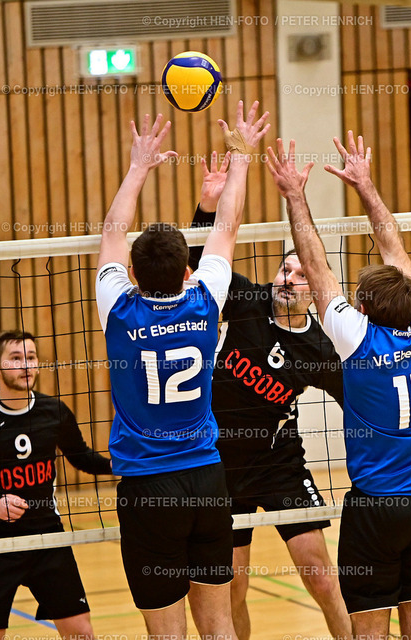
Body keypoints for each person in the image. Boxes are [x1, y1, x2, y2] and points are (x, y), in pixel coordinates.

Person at [95, 101, 269, 640]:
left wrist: (139, 166)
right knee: (217, 626)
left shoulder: (119, 310)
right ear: (187, 272)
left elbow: (111, 231)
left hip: (148, 489)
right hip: (207, 480)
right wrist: (241, 157)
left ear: (132, 273)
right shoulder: (205, 301)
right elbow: (227, 226)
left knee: (167, 634)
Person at [266, 131, 411, 640]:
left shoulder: (357, 340)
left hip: (377, 509)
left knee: (368, 630)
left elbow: (315, 265)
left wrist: (295, 195)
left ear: (362, 308)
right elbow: (394, 246)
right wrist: (366, 185)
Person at [189, 154, 351, 640]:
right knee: (233, 587)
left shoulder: (320, 348)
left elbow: (361, 401)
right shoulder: (246, 301)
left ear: (314, 290)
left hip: (279, 463)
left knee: (320, 576)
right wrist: (207, 205)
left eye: (300, 275)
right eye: (284, 269)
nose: (286, 279)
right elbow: (201, 260)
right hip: (222, 464)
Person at [0, 330, 113, 640]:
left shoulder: (54, 412)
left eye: (31, 357)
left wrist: (121, 465)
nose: (26, 365)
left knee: (81, 632)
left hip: (47, 538)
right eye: (16, 358)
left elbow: (81, 457)